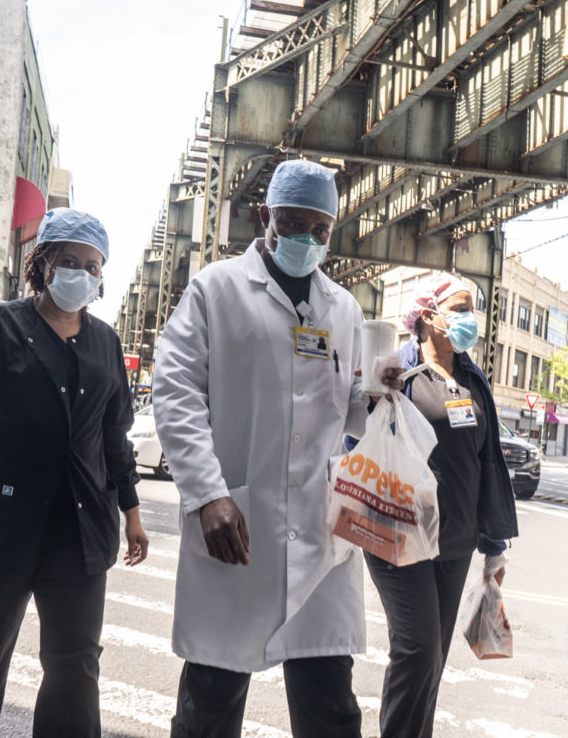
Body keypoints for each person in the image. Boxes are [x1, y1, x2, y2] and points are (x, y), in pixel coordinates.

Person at [152, 159, 401, 738]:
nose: (307, 240)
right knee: (209, 705)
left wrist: (382, 394)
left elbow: (349, 414)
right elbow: (175, 387)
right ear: (264, 216)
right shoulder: (216, 289)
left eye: (320, 230)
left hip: (321, 538)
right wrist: (208, 494)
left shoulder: (342, 308)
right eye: (293, 225)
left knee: (331, 710)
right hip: (237, 523)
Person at [0, 208, 149, 738]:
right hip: (4, 523)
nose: (81, 273)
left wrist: (132, 512)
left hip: (79, 530)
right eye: (69, 261)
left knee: (75, 669)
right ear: (42, 263)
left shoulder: (105, 344)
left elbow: (114, 437)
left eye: (93, 266)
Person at [359, 272, 518, 738]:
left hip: (456, 541)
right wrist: (371, 393)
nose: (470, 319)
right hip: (399, 534)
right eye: (460, 308)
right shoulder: (398, 369)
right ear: (428, 316)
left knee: (433, 661)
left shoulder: (472, 377)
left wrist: (493, 545)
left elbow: (485, 460)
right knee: (418, 650)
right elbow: (356, 437)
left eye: (472, 309)